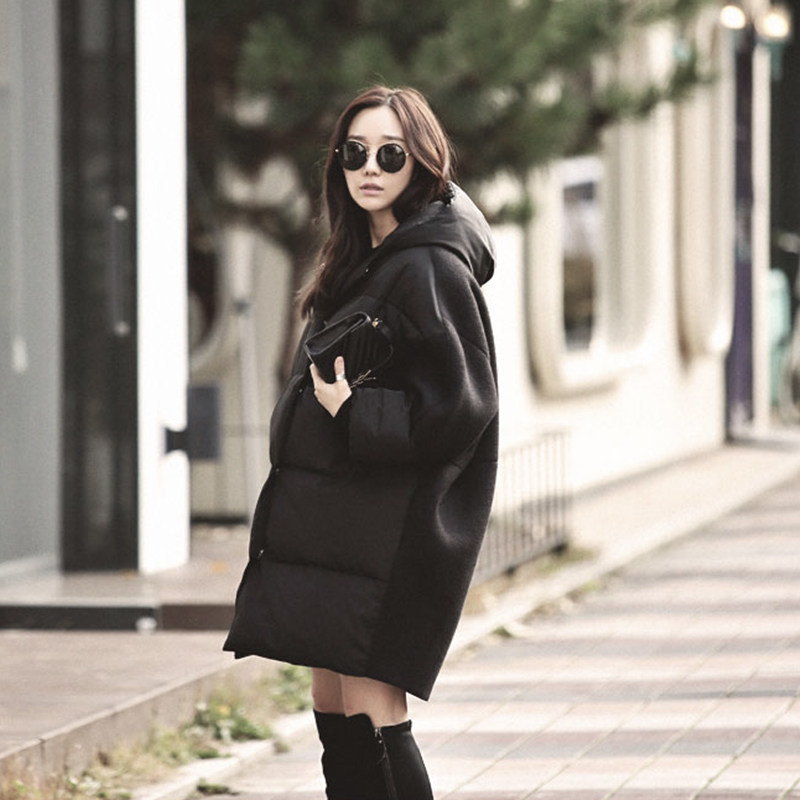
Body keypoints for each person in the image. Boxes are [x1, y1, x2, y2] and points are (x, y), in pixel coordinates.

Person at [224, 85, 499, 800]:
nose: (369, 167)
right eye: (354, 153)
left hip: (389, 530)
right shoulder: (362, 255)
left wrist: (354, 412)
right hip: (340, 526)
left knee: (376, 708)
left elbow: (463, 405)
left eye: (390, 154)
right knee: (332, 702)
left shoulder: (431, 264)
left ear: (422, 161)